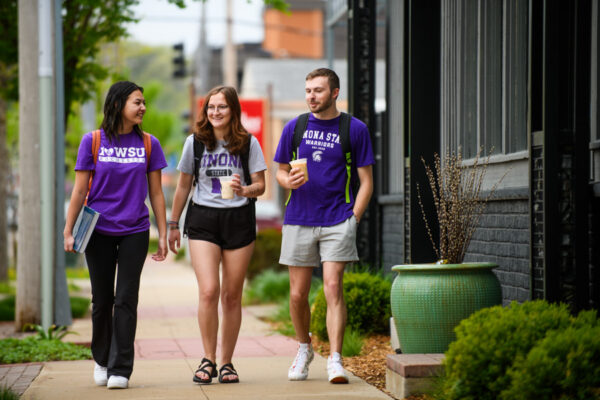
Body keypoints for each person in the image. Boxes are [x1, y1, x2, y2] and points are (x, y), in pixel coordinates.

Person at [63, 81, 168, 389]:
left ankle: (120, 368)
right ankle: (101, 359)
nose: (143, 107)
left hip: (135, 229)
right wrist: (68, 231)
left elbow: (157, 193)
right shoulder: (93, 141)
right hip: (98, 231)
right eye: (137, 102)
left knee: (125, 299)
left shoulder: (149, 143)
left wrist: (163, 233)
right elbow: (80, 190)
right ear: (119, 103)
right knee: (101, 299)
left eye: (144, 102)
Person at [274, 68, 374, 384]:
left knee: (332, 287)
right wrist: (287, 179)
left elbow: (366, 181)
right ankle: (305, 347)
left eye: (318, 90)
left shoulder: (354, 129)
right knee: (297, 294)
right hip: (299, 218)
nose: (311, 96)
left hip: (337, 219)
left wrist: (353, 219)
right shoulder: (295, 127)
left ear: (334, 93)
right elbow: (279, 171)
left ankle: (335, 358)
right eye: (307, 90)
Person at [168, 86, 267, 384]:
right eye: (211, 107)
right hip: (203, 220)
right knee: (209, 290)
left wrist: (244, 190)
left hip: (239, 219)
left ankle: (226, 362)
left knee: (232, 296)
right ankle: (208, 359)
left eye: (222, 107)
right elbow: (183, 186)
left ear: (233, 110)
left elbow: (260, 185)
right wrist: (173, 224)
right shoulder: (195, 143)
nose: (215, 112)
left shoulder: (249, 143)